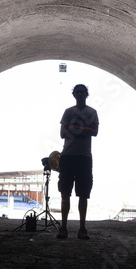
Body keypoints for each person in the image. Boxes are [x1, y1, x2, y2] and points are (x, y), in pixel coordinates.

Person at [57, 84, 99, 239]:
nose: (80, 94)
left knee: (83, 193)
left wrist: (73, 128)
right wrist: (85, 129)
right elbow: (62, 133)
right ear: (74, 94)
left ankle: (82, 228)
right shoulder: (68, 112)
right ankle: (63, 227)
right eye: (77, 92)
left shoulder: (92, 112)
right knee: (65, 192)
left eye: (82, 92)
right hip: (68, 156)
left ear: (86, 94)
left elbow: (95, 132)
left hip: (84, 157)